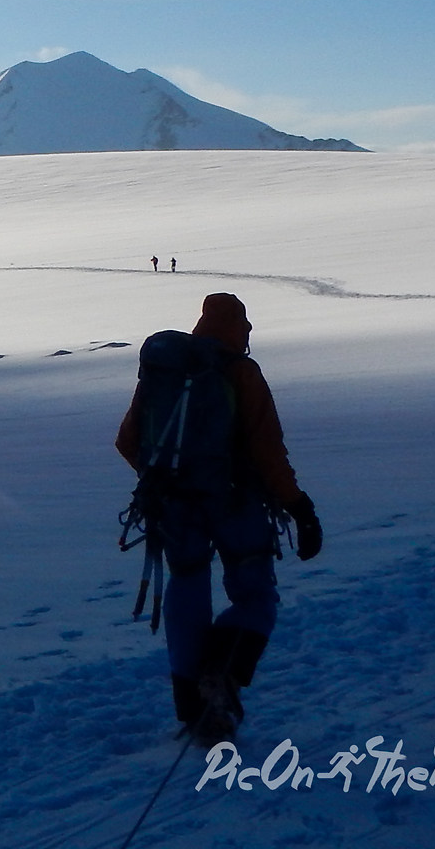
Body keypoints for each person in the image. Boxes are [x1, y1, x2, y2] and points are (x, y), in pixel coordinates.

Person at [115, 292, 323, 745]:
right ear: (240, 328)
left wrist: (169, 479)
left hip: (174, 505)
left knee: (187, 587)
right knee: (256, 596)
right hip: (236, 503)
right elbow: (269, 452)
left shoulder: (165, 371)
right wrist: (299, 508)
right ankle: (220, 673)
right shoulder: (240, 372)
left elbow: (128, 441)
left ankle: (193, 709)